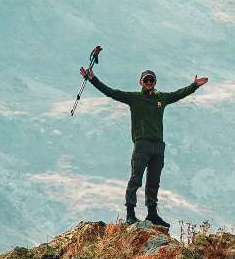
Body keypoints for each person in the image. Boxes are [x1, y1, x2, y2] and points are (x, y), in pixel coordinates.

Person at [79, 65, 210, 229]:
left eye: (151, 79)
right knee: (136, 178)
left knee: (154, 181)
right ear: (141, 82)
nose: (149, 82)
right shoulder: (134, 98)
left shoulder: (161, 98)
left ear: (155, 82)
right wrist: (92, 79)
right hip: (142, 145)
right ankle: (130, 214)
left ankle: (152, 214)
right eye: (146, 79)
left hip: (158, 146)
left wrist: (194, 86)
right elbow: (111, 93)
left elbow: (178, 94)